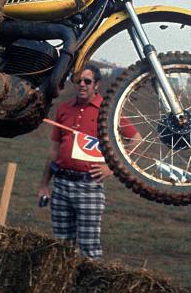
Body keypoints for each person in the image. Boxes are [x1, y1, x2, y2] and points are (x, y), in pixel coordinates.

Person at [38, 65, 137, 259]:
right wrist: (44, 184)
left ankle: (88, 289)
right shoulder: (64, 109)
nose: (82, 85)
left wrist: (113, 167)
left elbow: (136, 139)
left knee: (89, 249)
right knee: (61, 247)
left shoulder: (108, 111)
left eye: (87, 81)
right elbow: (54, 149)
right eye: (79, 81)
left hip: (89, 186)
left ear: (96, 85)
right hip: (61, 184)